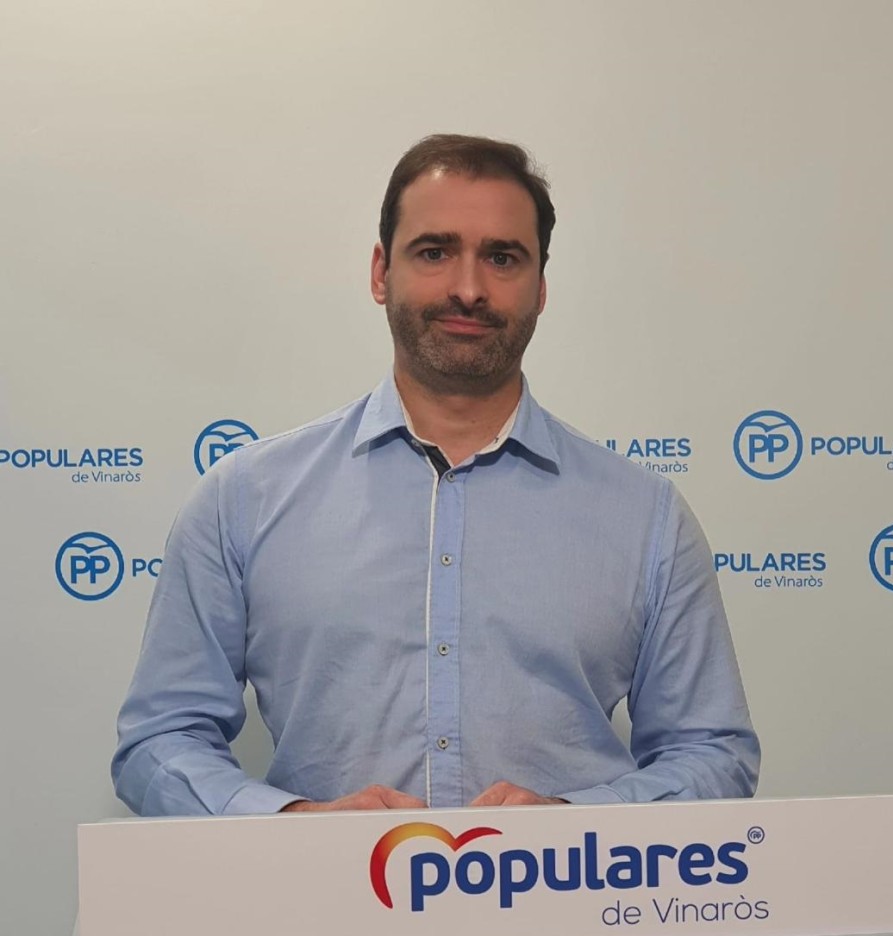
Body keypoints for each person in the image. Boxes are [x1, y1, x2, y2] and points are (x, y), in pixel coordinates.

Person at [112, 133, 760, 816]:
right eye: (434, 252)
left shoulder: (645, 515)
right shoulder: (243, 498)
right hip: (321, 889)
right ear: (380, 272)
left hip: (568, 887)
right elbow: (160, 740)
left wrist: (572, 825)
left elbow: (712, 754)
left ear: (540, 288)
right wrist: (292, 825)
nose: (468, 289)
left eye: (502, 258)